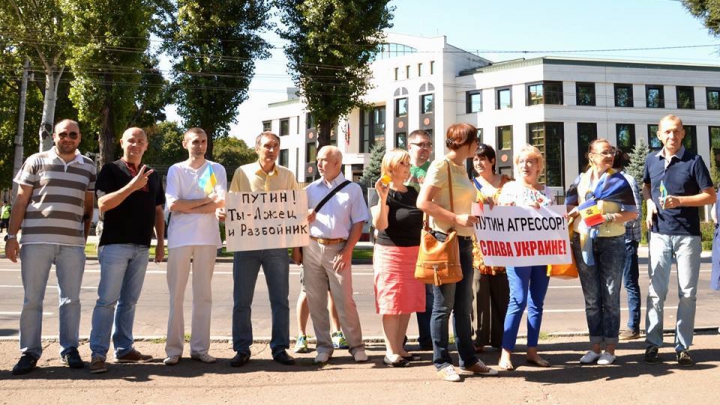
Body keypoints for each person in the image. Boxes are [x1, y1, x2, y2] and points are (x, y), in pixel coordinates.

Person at [6, 119, 96, 375]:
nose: (68, 138)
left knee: (71, 300)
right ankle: (29, 352)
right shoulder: (35, 160)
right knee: (32, 300)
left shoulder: (88, 167)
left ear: (79, 138)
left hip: (72, 245)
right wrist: (11, 236)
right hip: (35, 241)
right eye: (63, 134)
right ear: (54, 136)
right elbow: (20, 201)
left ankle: (69, 349)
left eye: (73, 134)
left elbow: (88, 206)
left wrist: (84, 238)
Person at [417, 123, 497, 382]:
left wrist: (482, 202)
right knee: (444, 306)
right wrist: (456, 218)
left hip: (463, 241)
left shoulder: (462, 167)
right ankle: (442, 361)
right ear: (465, 142)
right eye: (476, 141)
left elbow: (462, 201)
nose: (478, 145)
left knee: (463, 307)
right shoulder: (442, 166)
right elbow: (423, 203)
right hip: (446, 239)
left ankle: (468, 359)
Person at [87, 127, 165, 374]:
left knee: (129, 301)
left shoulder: (152, 174)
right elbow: (103, 204)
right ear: (122, 142)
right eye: (131, 140)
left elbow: (158, 211)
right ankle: (98, 354)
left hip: (142, 246)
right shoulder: (110, 170)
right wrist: (132, 185)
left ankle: (124, 348)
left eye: (140, 141)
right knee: (106, 301)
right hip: (114, 244)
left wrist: (161, 243)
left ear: (146, 145)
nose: (135, 144)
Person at [642, 115, 715, 367]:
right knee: (656, 292)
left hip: (687, 236)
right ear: (659, 135)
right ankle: (652, 344)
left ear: (683, 133)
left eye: (676, 132)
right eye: (667, 132)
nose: (672, 136)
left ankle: (682, 346)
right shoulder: (651, 160)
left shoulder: (694, 161)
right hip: (659, 234)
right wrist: (649, 201)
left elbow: (710, 196)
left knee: (688, 293)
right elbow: (646, 186)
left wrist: (680, 201)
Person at [227, 132, 298, 367]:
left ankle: (279, 348)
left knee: (280, 300)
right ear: (257, 148)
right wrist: (225, 214)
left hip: (277, 246)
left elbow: (294, 211)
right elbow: (233, 204)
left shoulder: (288, 176)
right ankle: (241, 348)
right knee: (241, 300)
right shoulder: (242, 173)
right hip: (247, 245)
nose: (271, 150)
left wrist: (296, 245)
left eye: (275, 146)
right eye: (267, 146)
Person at [567, 139, 638, 366]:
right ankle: (594, 347)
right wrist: (574, 214)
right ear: (591, 156)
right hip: (584, 242)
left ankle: (610, 348)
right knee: (591, 299)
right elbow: (569, 208)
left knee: (610, 296)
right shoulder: (580, 180)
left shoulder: (619, 181)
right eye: (604, 152)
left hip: (612, 242)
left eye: (611, 152)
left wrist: (607, 217)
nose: (609, 156)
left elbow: (632, 213)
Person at [163, 127, 227, 366]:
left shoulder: (215, 169)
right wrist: (204, 202)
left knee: (203, 295)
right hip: (180, 238)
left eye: (203, 141)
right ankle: (173, 349)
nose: (199, 145)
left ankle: (200, 348)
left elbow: (220, 201)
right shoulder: (176, 170)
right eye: (195, 142)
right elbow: (174, 204)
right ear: (185, 144)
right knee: (176, 296)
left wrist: (189, 206)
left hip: (208, 238)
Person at [303, 146, 369, 364]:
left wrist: (347, 251)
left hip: (339, 249)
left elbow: (359, 222)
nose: (319, 164)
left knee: (345, 300)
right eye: (318, 160)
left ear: (337, 163)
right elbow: (297, 222)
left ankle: (356, 346)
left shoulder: (353, 190)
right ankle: (323, 346)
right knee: (315, 300)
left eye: (324, 160)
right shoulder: (310, 189)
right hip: (312, 247)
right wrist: (305, 218)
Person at [496, 144, 553, 371]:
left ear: (539, 166)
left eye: (530, 161)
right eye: (521, 162)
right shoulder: (510, 188)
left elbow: (553, 221)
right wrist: (510, 206)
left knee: (537, 302)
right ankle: (505, 353)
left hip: (541, 252)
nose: (525, 165)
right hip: (517, 253)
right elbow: (499, 212)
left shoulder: (546, 191)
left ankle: (532, 351)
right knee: (518, 300)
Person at [370, 148, 426, 367]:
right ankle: (390, 351)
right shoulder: (382, 192)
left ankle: (400, 348)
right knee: (392, 303)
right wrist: (383, 199)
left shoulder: (412, 192)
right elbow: (380, 225)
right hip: (390, 254)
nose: (408, 167)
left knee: (407, 302)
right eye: (403, 163)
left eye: (407, 163)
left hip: (413, 253)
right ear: (391, 167)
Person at [470, 144, 511, 352]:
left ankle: (502, 338)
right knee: (478, 292)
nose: (479, 163)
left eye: (483, 159)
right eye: (475, 159)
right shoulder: (470, 185)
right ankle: (478, 339)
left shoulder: (508, 183)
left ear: (493, 161)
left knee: (502, 294)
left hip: (505, 248)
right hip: (479, 248)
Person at [406, 129, 434, 350]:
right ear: (409, 147)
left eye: (428, 144)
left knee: (428, 292)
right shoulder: (399, 167)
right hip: (402, 238)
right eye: (420, 144)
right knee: (403, 290)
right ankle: (398, 340)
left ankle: (428, 339)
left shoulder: (435, 170)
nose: (424, 148)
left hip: (428, 237)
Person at [613, 149, 644, 341]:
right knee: (611, 287)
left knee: (630, 283)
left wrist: (611, 220)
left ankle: (633, 327)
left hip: (626, 240)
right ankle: (613, 328)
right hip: (611, 240)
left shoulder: (627, 180)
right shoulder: (606, 181)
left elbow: (635, 213)